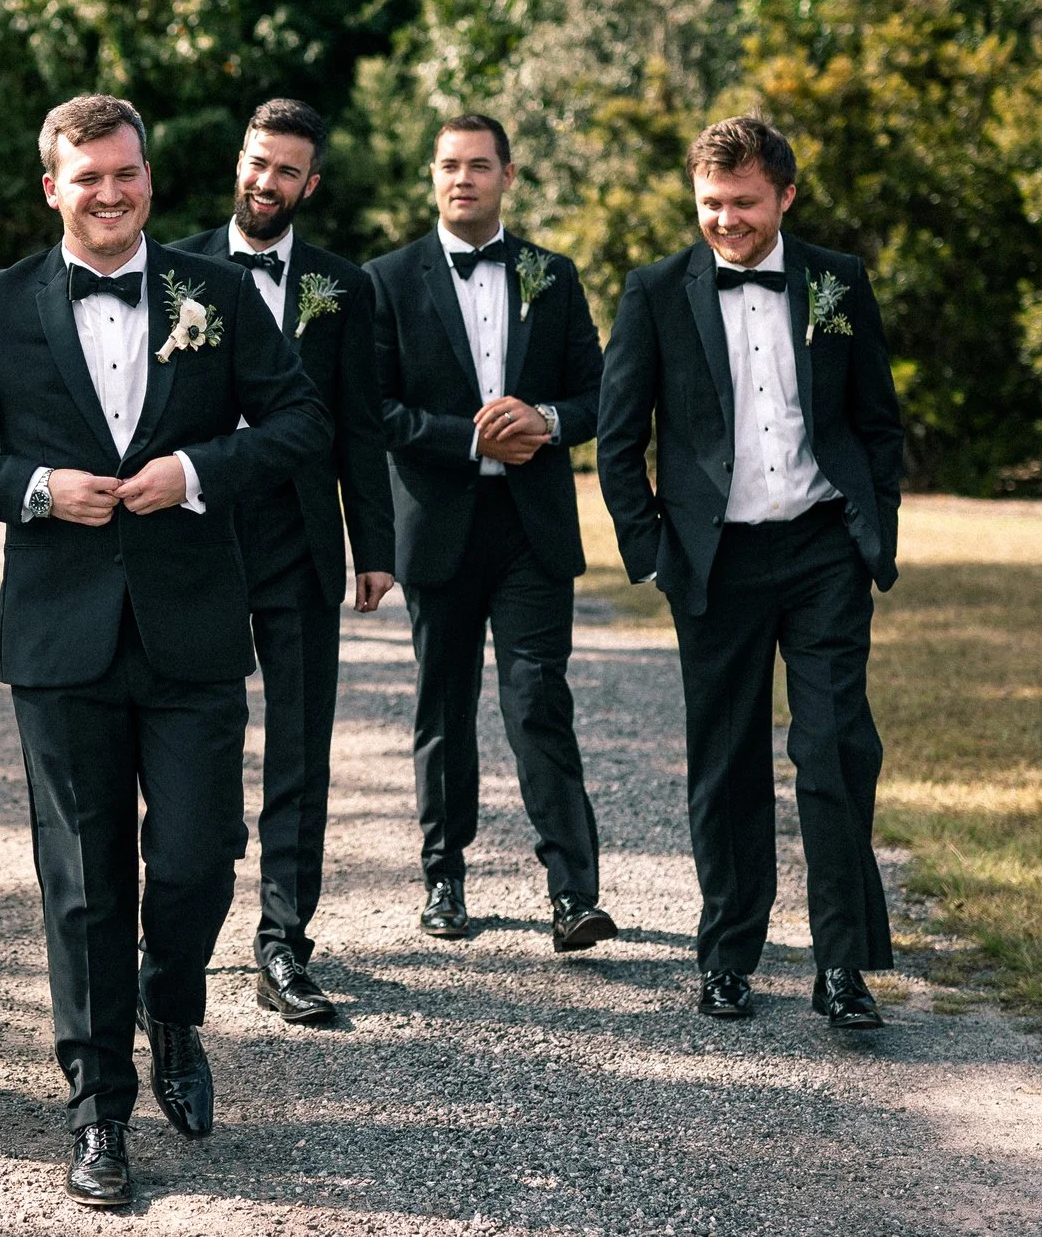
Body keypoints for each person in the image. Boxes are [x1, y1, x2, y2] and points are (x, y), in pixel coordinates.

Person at [0, 95, 326, 1208]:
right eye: (85, 177)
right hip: (60, 635)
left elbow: (299, 425)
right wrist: (33, 488)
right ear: (52, 187)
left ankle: (171, 1004)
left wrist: (195, 473)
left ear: (148, 176)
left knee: (195, 857)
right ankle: (97, 1110)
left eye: (125, 173)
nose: (109, 192)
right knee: (82, 881)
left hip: (191, 627)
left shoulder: (217, 296)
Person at [594, 115, 904, 1030]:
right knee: (725, 760)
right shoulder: (654, 292)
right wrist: (651, 549)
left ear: (786, 197)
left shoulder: (837, 281)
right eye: (710, 204)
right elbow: (618, 440)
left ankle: (843, 965)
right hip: (715, 560)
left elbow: (877, 419)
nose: (724, 221)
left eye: (743, 204)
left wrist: (870, 529)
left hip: (821, 551)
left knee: (836, 748)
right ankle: (728, 955)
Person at [365, 114, 615, 952]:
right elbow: (377, 409)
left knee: (538, 699)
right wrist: (468, 435)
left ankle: (573, 891)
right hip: (439, 525)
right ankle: (445, 876)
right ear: (431, 177)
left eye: (478, 165)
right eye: (447, 166)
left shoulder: (554, 273)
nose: (462, 178)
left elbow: (597, 392)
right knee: (443, 708)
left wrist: (543, 418)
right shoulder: (388, 280)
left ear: (509, 174)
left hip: (530, 528)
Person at [168, 99, 393, 1026]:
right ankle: (189, 907)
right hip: (198, 539)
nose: (268, 182)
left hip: (301, 542)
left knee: (301, 746)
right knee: (199, 741)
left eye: (288, 170)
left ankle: (283, 942)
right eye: (258, 162)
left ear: (311, 184)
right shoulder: (169, 268)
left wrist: (373, 545)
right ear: (239, 161)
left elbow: (360, 423)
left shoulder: (342, 287)